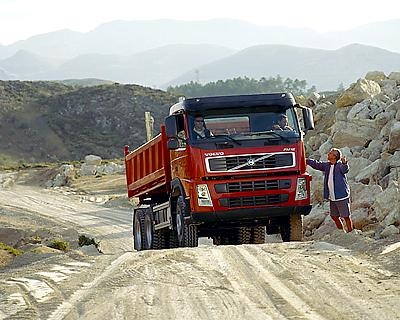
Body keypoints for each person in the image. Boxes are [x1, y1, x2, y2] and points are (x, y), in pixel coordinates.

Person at [306, 148, 354, 232]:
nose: (328, 154)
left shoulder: (340, 166)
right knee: (334, 216)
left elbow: (345, 169)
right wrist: (306, 160)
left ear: (335, 156)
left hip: (341, 196)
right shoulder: (327, 165)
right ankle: (341, 232)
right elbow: (317, 164)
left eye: (331, 153)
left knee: (346, 216)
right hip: (332, 197)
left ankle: (351, 232)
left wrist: (344, 163)